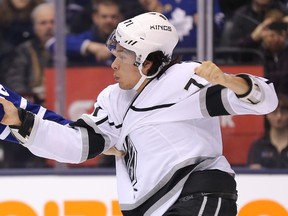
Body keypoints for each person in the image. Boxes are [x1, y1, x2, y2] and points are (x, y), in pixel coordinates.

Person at [0, 12, 278, 215]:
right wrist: (21, 122)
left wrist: (230, 81)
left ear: (149, 61)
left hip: (198, 197)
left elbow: (265, 101)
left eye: (121, 56)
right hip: (157, 209)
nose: (113, 64)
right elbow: (78, 144)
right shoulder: (113, 99)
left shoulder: (185, 79)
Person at [46, 0, 123, 66]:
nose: (108, 21)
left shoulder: (126, 41)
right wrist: (90, 46)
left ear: (120, 18)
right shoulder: (88, 37)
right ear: (95, 18)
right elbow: (53, 43)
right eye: (104, 16)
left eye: (113, 17)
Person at [247, 90, 288, 169]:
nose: (279, 116)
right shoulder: (258, 146)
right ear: (267, 114)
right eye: (274, 111)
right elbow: (250, 174)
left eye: (284, 111)